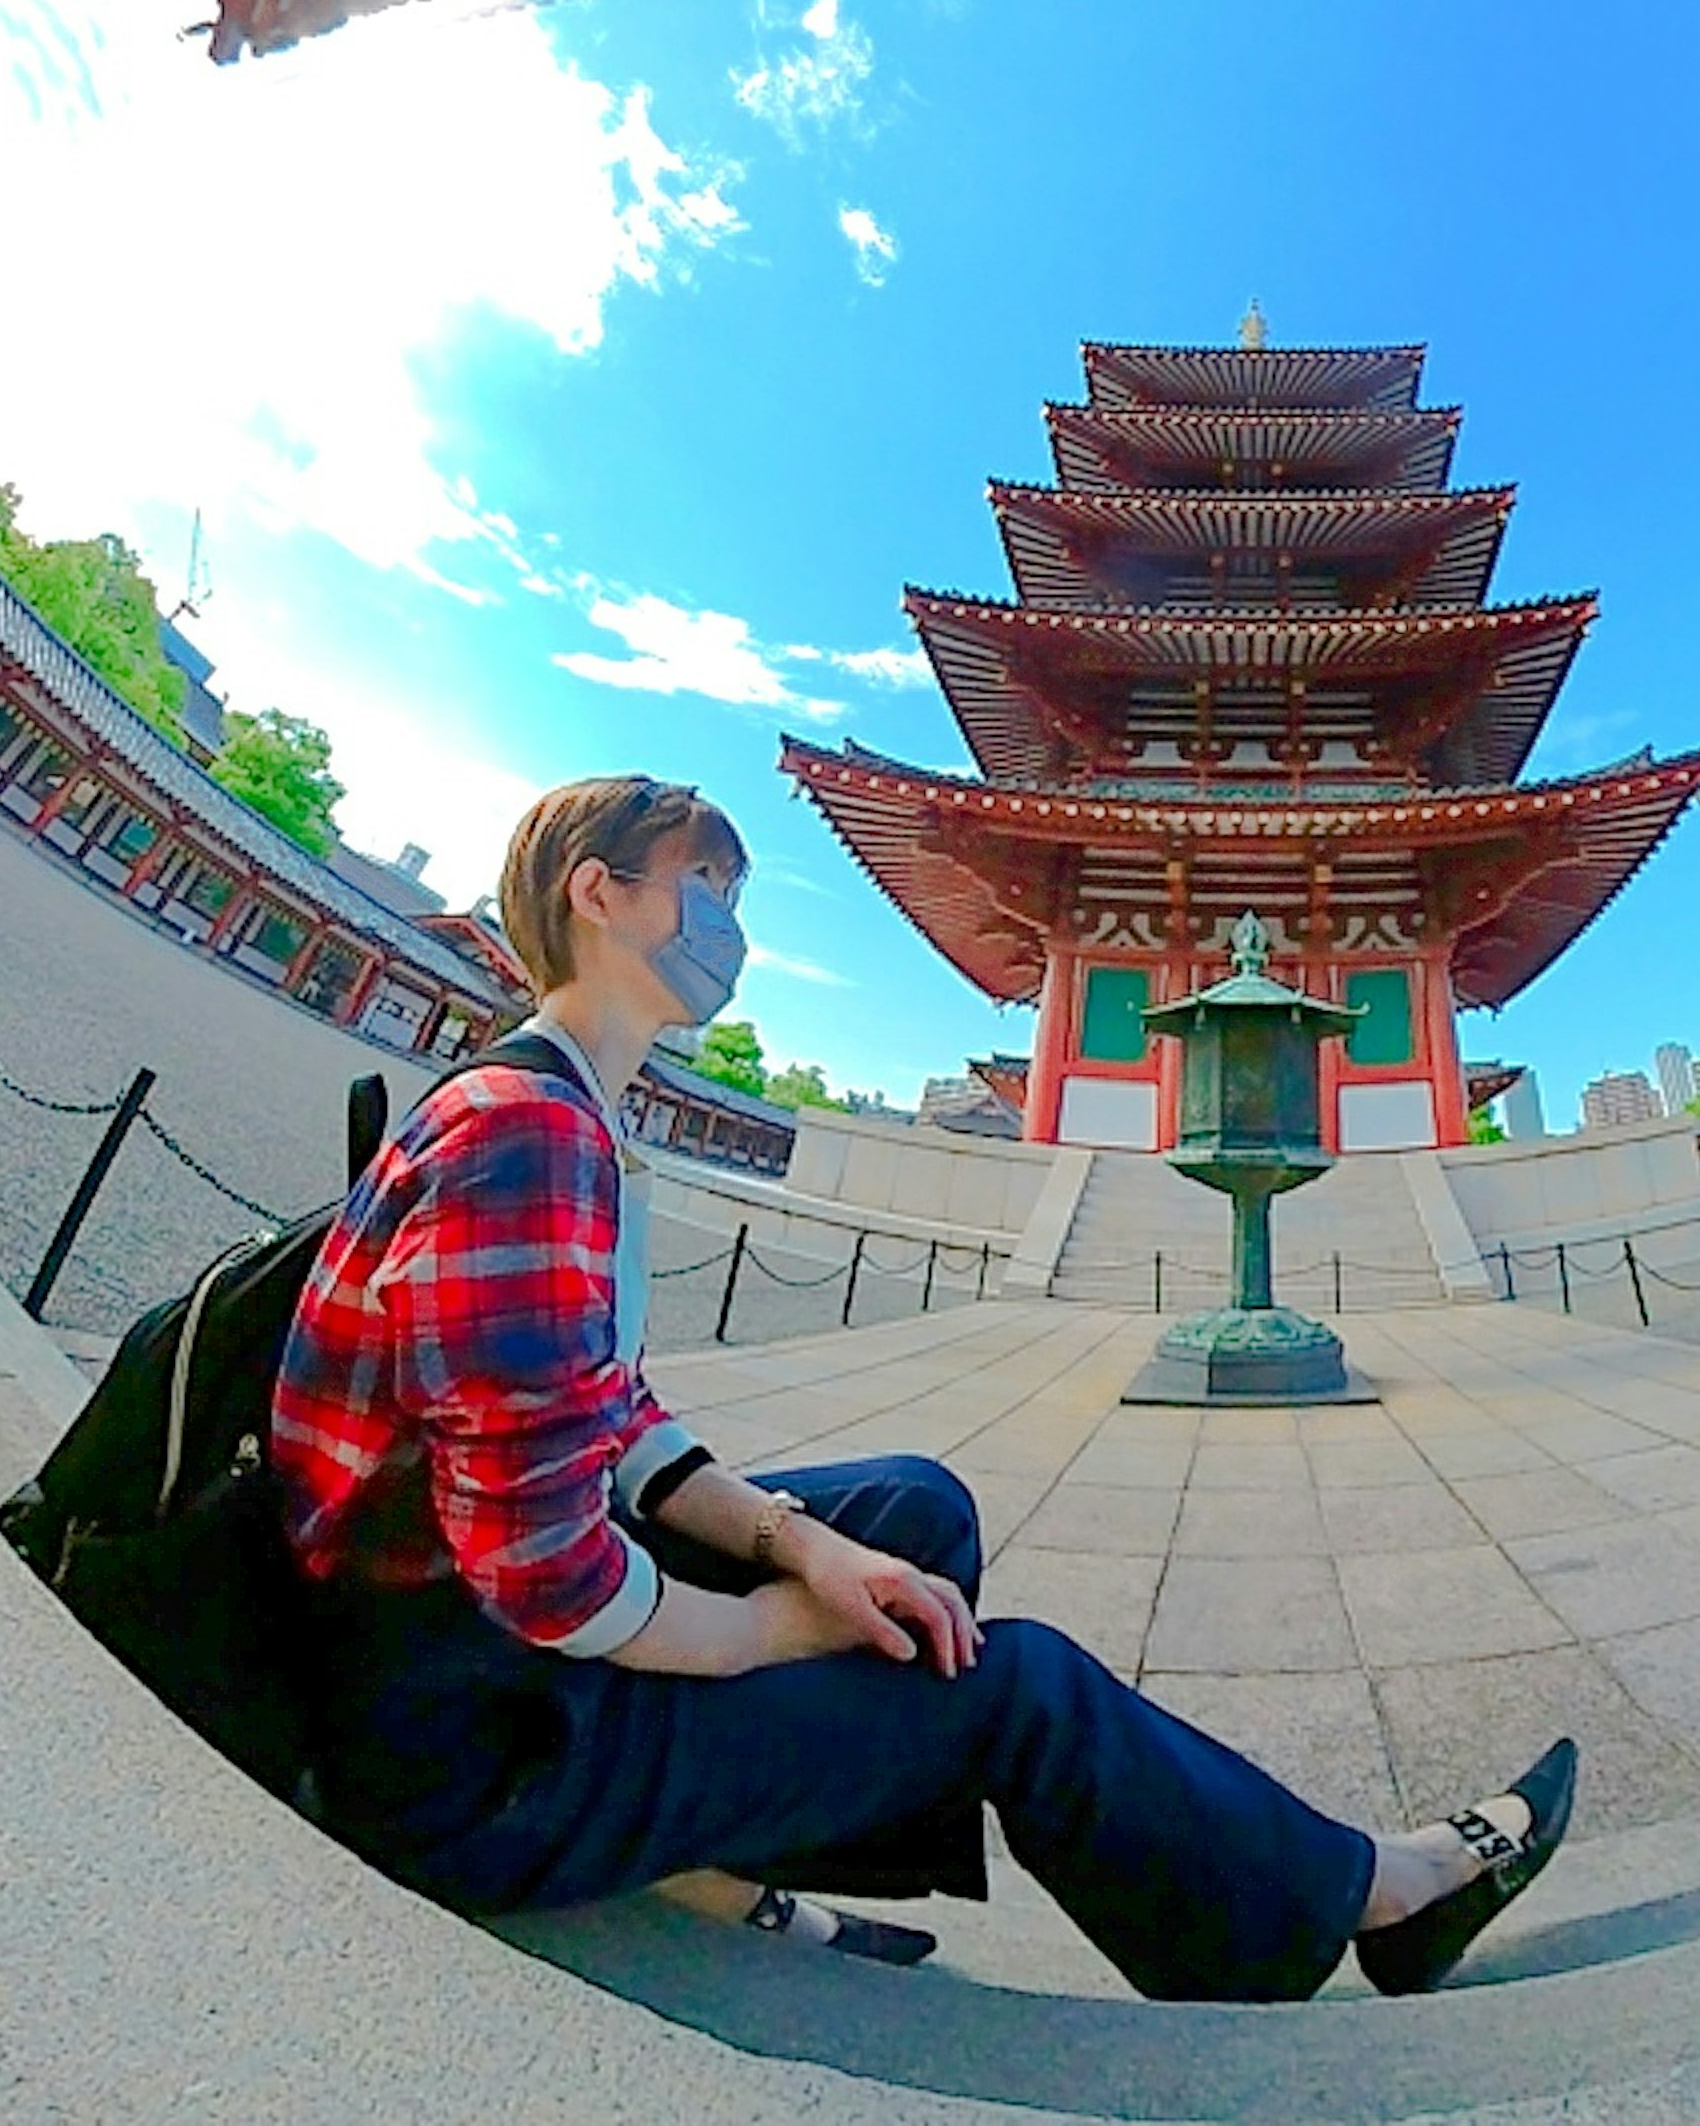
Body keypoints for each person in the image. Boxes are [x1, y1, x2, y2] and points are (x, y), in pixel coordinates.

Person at [278, 772, 1575, 2002]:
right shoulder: (526, 1130)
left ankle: (748, 1830)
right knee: (1010, 1679)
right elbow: (545, 1573)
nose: (727, 925)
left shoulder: (563, 1108)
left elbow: (610, 1419)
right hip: (468, 1745)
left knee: (908, 1513)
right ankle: (1367, 1897)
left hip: (465, 1650)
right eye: (701, 884)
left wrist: (803, 1548)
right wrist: (788, 1627)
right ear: (597, 894)